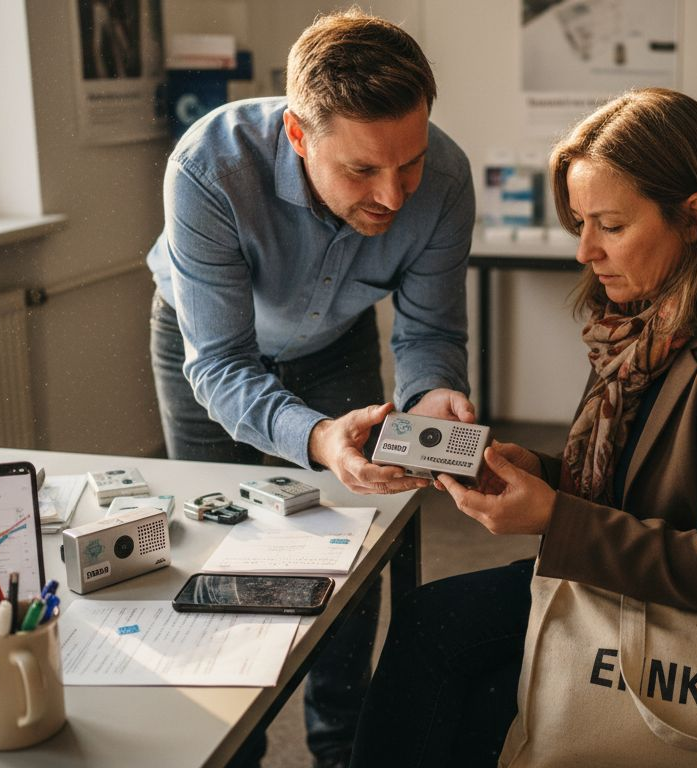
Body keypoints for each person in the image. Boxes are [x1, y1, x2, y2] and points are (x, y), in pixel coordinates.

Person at [351, 87, 697, 766]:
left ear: (695, 217)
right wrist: (542, 473)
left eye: (610, 225)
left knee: (452, 663)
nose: (585, 250)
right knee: (429, 626)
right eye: (579, 222)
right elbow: (645, 481)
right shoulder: (644, 326)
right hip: (640, 592)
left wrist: (555, 516)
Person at [146, 10, 475, 767]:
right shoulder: (209, 165)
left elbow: (428, 335)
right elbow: (222, 363)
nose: (394, 196)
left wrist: (432, 397)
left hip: (336, 345)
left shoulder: (448, 180)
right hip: (211, 351)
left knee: (351, 553)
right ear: (298, 135)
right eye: (362, 170)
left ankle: (340, 744)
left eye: (410, 162)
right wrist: (316, 436)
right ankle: (238, 744)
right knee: (219, 547)